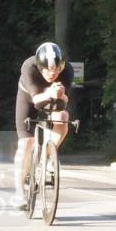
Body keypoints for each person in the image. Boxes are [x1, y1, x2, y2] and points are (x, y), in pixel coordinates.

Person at [11, 42, 74, 209]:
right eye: (47, 70)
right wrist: (49, 92)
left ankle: (46, 160)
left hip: (52, 97)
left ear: (61, 67)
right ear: (40, 67)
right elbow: (37, 101)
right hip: (30, 98)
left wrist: (61, 95)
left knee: (63, 117)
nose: (52, 74)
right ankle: (19, 192)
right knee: (26, 143)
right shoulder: (29, 67)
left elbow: (66, 101)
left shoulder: (67, 70)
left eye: (56, 70)